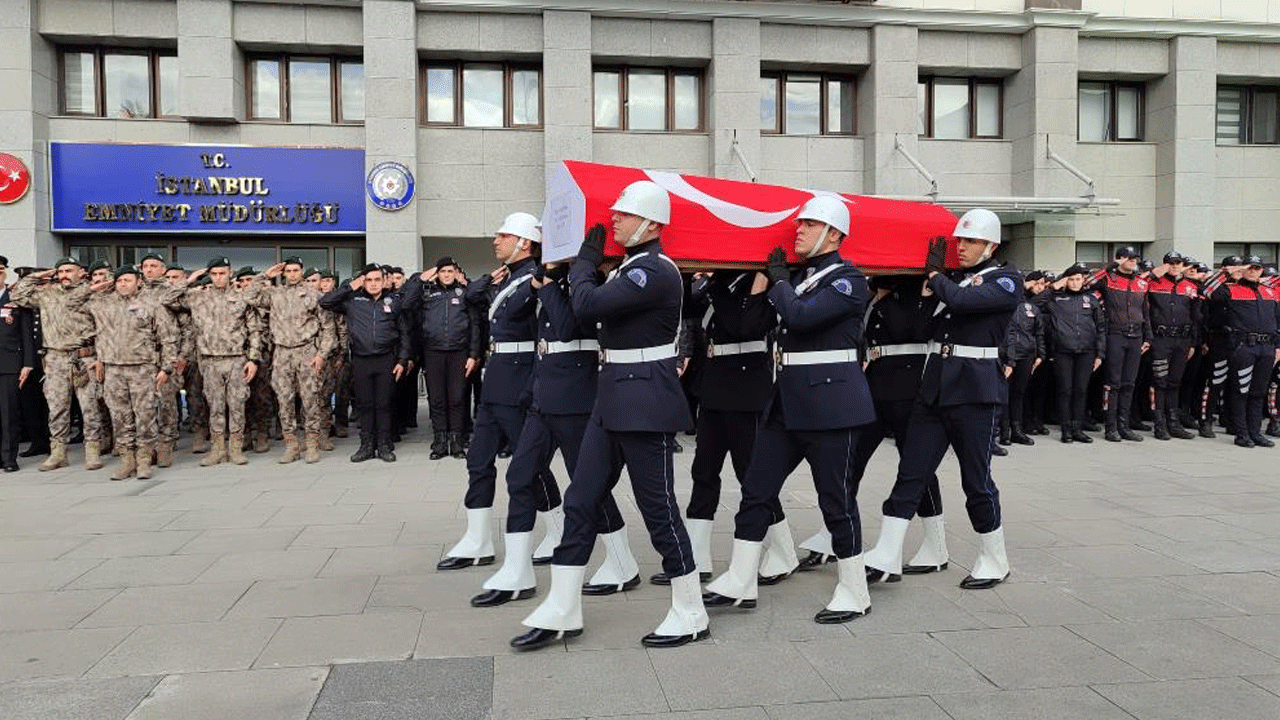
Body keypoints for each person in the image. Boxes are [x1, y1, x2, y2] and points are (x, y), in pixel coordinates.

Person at [513, 181, 707, 651]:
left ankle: (690, 609)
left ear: (653, 224)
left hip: (645, 401)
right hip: (611, 397)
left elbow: (589, 304)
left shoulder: (655, 272)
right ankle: (563, 605)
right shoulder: (627, 269)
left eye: (624, 214)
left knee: (657, 508)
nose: (614, 219)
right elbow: (582, 316)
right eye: (615, 212)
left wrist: (581, 263)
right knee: (581, 501)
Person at [702, 195, 876, 623]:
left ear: (834, 234)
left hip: (833, 406)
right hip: (786, 403)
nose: (797, 230)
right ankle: (741, 579)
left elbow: (800, 317)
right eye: (799, 224)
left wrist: (778, 280)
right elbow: (759, 321)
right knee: (756, 490)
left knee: (835, 500)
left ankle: (854, 590)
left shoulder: (848, 281)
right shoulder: (801, 278)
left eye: (809, 225)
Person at [869, 208, 1019, 590]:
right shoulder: (952, 282)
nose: (962, 247)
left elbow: (966, 303)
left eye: (970, 241)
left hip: (973, 392)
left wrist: (935, 277)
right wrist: (922, 290)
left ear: (991, 245)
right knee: (911, 473)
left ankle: (994, 558)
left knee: (976, 480)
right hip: (934, 387)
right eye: (959, 241)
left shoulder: (1005, 280)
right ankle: (888, 552)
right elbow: (923, 327)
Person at [436, 213, 563, 571]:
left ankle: (558, 530)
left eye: (503, 235)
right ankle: (477, 540)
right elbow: (475, 298)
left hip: (520, 380)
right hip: (497, 379)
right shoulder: (508, 278)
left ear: (524, 242)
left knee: (530, 464)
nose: (496, 241)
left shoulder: (533, 278)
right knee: (478, 460)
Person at [668, 270, 788, 585]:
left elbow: (742, 324)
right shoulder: (720, 281)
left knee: (752, 475)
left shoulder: (758, 281)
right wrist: (685, 275)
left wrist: (721, 283)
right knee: (703, 471)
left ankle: (783, 549)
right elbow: (686, 309)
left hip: (746, 388)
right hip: (715, 385)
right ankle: (695, 554)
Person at [858, 274, 949, 582]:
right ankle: (835, 534)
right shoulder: (873, 295)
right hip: (876, 388)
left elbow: (909, 329)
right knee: (851, 461)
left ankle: (935, 548)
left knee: (916, 469)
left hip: (909, 390)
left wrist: (886, 294)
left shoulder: (916, 294)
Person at [74, 265, 180, 480]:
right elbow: (71, 304)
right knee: (120, 417)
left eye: (127, 280)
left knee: (145, 416)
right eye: (119, 280)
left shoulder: (151, 304)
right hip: (113, 369)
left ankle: (143, 460)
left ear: (138, 281)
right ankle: (126, 460)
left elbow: (167, 338)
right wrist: (95, 288)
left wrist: (166, 368)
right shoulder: (102, 304)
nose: (123, 284)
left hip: (142, 369)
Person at [11, 258, 106, 470]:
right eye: (61, 271)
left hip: (84, 356)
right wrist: (39, 275)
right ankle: (58, 453)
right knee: (57, 408)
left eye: (69, 270)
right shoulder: (48, 294)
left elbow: (104, 326)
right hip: (55, 358)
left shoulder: (93, 292)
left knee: (89, 406)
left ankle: (92, 451)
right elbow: (17, 295)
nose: (64, 274)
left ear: (81, 272)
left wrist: (101, 358)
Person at [245, 257, 336, 463]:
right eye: (288, 271)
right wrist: (265, 275)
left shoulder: (314, 295)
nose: (293, 274)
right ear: (283, 273)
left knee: (310, 399)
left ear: (302, 271)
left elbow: (328, 329)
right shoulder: (274, 294)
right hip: (282, 353)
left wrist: (321, 354)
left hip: (306, 352)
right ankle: (291, 445)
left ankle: (312, 444)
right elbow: (249, 296)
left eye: (296, 270)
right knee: (284, 400)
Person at [177, 258, 263, 466]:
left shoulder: (241, 298)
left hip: (235, 360)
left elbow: (255, 330)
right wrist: (190, 280)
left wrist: (253, 359)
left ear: (230, 273)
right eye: (214, 274)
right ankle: (217, 449)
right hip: (210, 361)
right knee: (214, 406)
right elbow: (167, 299)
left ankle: (235, 448)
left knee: (236, 405)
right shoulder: (198, 297)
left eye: (222, 273)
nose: (218, 278)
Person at [320, 264, 410, 461]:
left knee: (384, 404)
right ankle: (366, 446)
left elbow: (404, 333)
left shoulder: (393, 301)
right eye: (369, 280)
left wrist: (402, 359)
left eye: (377, 279)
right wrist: (352, 286)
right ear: (363, 281)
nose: (373, 284)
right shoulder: (353, 300)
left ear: (383, 281)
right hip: (361, 360)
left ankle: (385, 446)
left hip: (386, 359)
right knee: (365, 405)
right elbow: (325, 301)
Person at [1207, 255, 1280, 447]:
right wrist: (1227, 273)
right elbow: (1206, 290)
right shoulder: (1229, 290)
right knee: (1241, 391)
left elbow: (1277, 321)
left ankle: (1255, 432)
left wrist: (1278, 347)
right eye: (1250, 267)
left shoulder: (1269, 291)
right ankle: (1241, 433)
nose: (1254, 271)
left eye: (1257, 267)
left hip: (1267, 347)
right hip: (1244, 346)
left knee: (1258, 392)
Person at [410, 257, 479, 459]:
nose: (447, 275)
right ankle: (439, 443)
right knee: (437, 400)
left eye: (450, 271)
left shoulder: (465, 294)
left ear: (456, 273)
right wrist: (422, 279)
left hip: (459, 353)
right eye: (443, 271)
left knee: (457, 399)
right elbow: (406, 304)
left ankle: (457, 443)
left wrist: (473, 354)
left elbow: (475, 325)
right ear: (437, 273)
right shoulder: (427, 293)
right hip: (433, 352)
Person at [1086, 246, 1151, 442]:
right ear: (1120, 259)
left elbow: (1145, 311)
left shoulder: (1141, 283)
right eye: (1128, 258)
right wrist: (1113, 265)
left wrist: (1148, 337)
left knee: (1129, 383)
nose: (1133, 261)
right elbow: (1088, 283)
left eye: (1135, 258)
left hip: (1136, 336)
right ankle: (1111, 427)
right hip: (1115, 334)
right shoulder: (1109, 279)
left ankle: (1124, 426)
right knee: (1113, 383)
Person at [1044, 264, 1105, 443]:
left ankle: (1077, 428)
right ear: (1066, 280)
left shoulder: (1091, 300)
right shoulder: (1056, 299)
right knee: (1065, 391)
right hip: (1063, 351)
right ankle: (1066, 430)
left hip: (1086, 351)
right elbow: (1036, 302)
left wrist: (1100, 354)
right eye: (1071, 279)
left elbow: (1101, 328)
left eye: (1078, 279)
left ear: (1083, 281)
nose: (1075, 283)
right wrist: (1055, 286)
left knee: (1080, 391)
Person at [1145, 252, 1199, 441]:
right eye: (1171, 263)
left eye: (1178, 263)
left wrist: (1193, 342)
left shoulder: (1190, 287)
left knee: (1175, 382)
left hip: (1182, 340)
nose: (1175, 266)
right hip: (1161, 339)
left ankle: (1174, 423)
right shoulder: (1153, 283)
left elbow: (1195, 317)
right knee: (1160, 382)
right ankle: (1160, 425)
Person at [998, 271, 1046, 446]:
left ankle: (1017, 431)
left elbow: (1038, 332)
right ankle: (1004, 432)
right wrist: (1009, 360)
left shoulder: (1031, 307)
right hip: (1007, 356)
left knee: (1019, 393)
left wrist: (1040, 354)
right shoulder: (1005, 305)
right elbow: (1007, 335)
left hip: (1027, 355)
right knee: (1004, 394)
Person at [0, 258, 36, 472]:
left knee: (9, 415)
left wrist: (28, 364)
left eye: (0, 270)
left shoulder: (15, 298)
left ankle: (9, 458)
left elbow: (27, 334)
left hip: (9, 363)